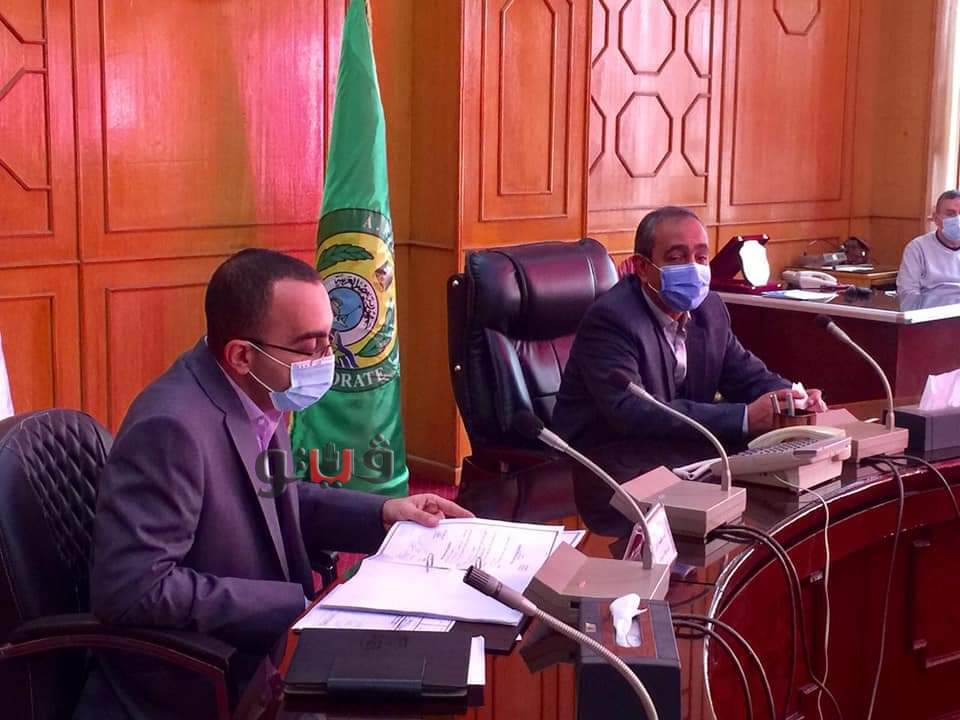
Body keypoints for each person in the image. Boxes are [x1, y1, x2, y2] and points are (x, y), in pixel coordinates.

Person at [75, 249, 471, 720]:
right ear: (242, 355)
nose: (327, 359)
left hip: (263, 661)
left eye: (329, 340)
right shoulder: (171, 429)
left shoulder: (257, 392)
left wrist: (383, 513)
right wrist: (291, 603)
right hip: (196, 684)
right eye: (310, 347)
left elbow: (276, 497)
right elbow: (134, 589)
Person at [552, 207, 827, 529]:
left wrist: (791, 398)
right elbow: (632, 411)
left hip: (683, 464)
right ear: (642, 267)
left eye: (701, 257)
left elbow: (745, 373)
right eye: (677, 257)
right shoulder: (612, 319)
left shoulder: (709, 309)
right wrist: (744, 417)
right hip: (608, 479)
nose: (693, 269)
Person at [897, 189, 960, 297]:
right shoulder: (918, 248)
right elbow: (907, 292)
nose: (957, 219)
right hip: (931, 306)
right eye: (950, 214)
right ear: (936, 218)